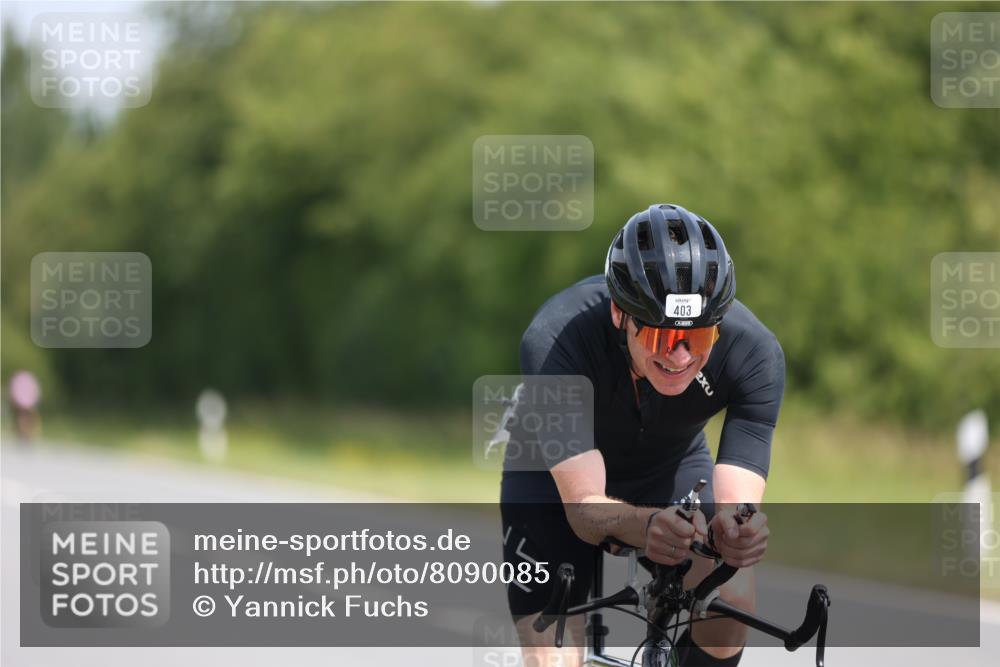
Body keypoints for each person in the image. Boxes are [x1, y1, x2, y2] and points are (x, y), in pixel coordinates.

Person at [500, 203, 785, 666]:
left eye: (697, 339)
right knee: (551, 654)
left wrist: (736, 532)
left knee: (733, 598)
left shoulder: (754, 353)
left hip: (669, 466)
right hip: (553, 477)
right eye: (660, 338)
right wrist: (649, 526)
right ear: (620, 313)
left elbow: (736, 506)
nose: (679, 356)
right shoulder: (557, 339)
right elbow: (583, 506)